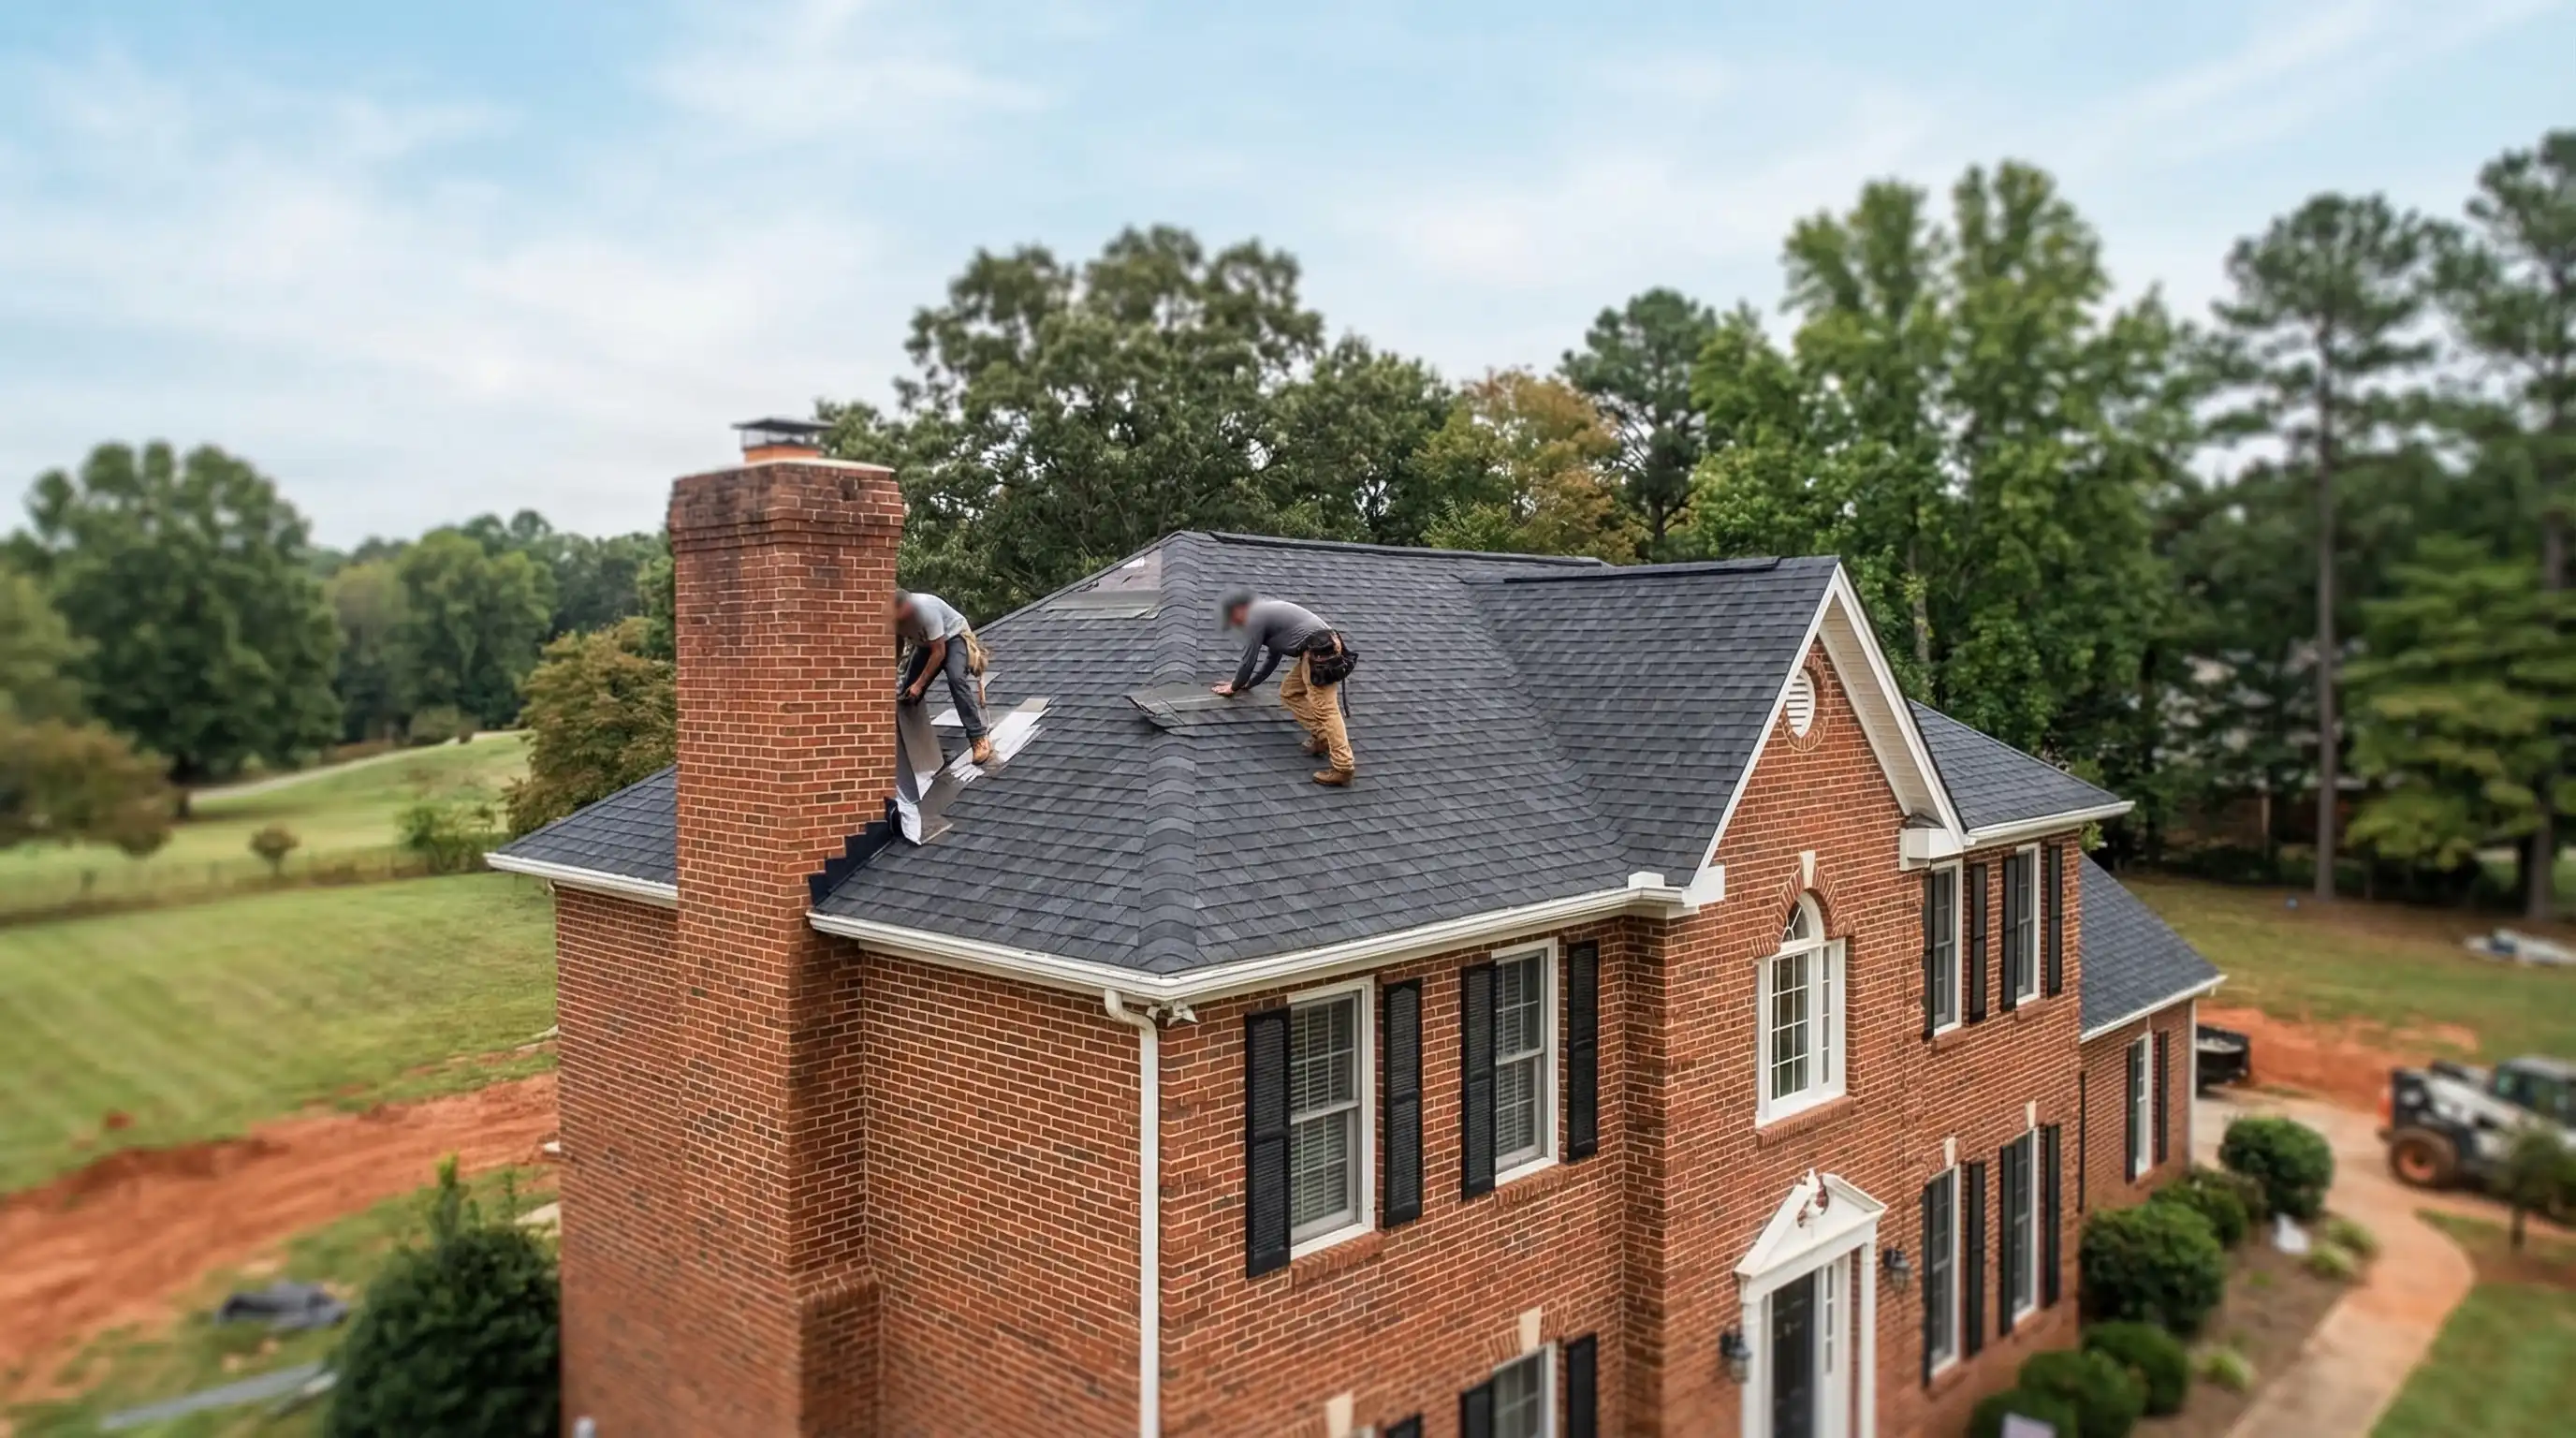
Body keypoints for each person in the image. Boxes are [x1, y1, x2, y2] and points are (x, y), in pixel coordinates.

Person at [1212, 589, 1356, 785]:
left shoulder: (1254, 617)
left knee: (1326, 709)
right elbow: (1272, 659)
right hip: (1319, 647)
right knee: (1290, 692)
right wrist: (1248, 684)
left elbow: (1248, 660)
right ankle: (1322, 736)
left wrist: (1234, 687)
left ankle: (1343, 767)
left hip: (1320, 652)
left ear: (1239, 610)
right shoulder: (1267, 614)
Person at [895, 590, 993, 766]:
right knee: (906, 693)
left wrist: (920, 683)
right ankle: (915, 746)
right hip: (926, 645)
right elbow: (899, 643)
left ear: (906, 607)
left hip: (953, 637)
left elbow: (939, 653)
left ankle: (978, 737)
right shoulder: (894, 615)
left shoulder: (925, 610)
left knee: (956, 679)